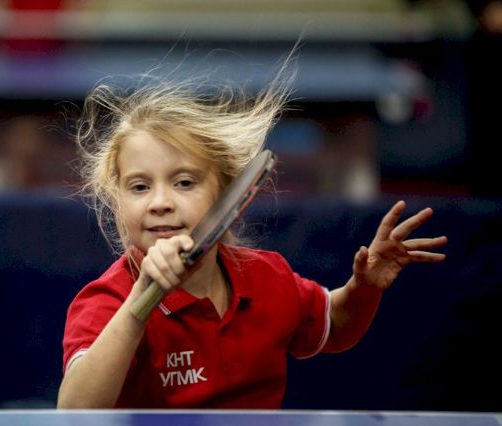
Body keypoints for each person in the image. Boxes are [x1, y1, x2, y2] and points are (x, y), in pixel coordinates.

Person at [56, 59, 448, 409]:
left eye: (184, 182)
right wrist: (140, 303)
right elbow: (76, 411)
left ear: (226, 193)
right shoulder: (107, 300)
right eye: (139, 187)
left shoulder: (267, 278)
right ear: (118, 201)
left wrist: (364, 288)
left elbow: (334, 326)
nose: (160, 202)